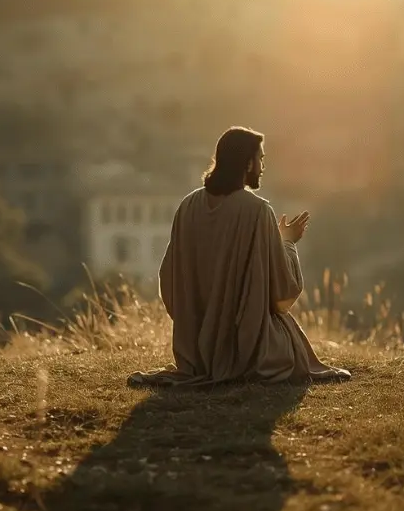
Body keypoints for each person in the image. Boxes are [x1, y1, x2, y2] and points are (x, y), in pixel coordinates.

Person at [129, 126, 351, 387]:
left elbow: (169, 282)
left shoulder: (187, 206)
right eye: (261, 159)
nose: (262, 166)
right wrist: (287, 242)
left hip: (198, 352)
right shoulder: (257, 211)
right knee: (286, 332)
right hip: (247, 351)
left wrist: (201, 321)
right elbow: (282, 296)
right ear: (247, 164)